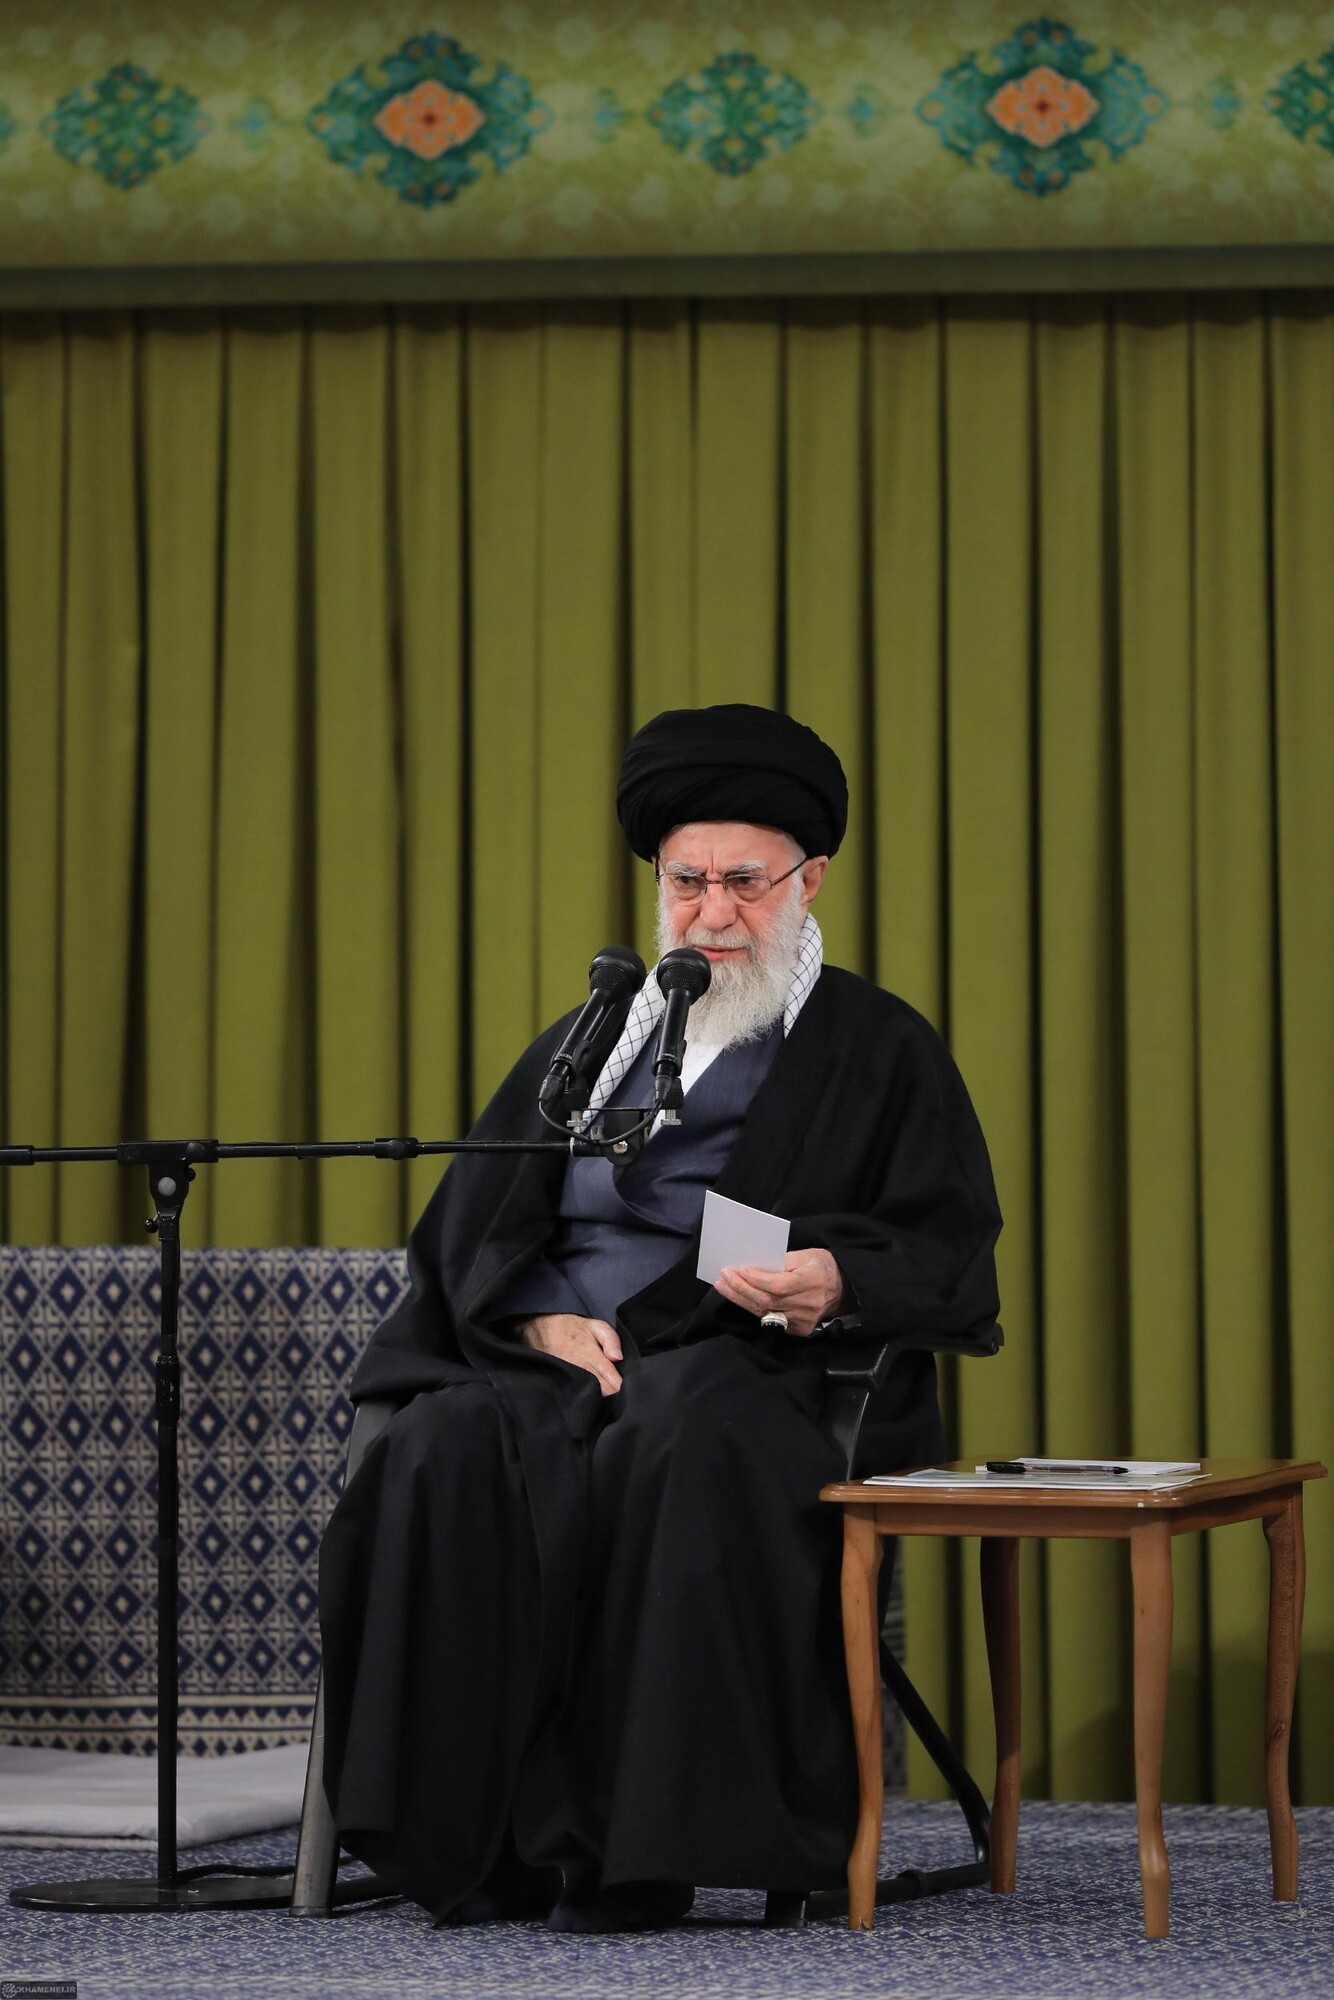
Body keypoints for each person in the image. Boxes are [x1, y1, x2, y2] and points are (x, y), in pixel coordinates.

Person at [317, 703, 1002, 1932]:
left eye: (743, 882)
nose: (712, 912)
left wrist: (835, 1278)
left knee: (678, 1434)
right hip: (555, 1360)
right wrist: (535, 1317)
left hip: (751, 1364)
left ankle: (634, 1849)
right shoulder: (591, 1040)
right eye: (687, 881)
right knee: (442, 1444)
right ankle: (478, 1844)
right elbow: (468, 1227)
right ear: (657, 884)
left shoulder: (875, 1046)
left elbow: (947, 1247)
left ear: (807, 880)